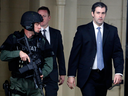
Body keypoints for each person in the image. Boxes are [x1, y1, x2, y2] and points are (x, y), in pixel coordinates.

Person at [67, 2, 124, 96]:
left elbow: (117, 53)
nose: (100, 16)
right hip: (87, 75)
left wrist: (118, 72)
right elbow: (75, 54)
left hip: (104, 75)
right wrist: (71, 75)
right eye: (98, 13)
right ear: (92, 13)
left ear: (105, 14)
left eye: (103, 13)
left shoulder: (112, 31)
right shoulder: (82, 30)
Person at [0, 11, 54, 96]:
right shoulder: (14, 38)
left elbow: (50, 60)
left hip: (35, 83)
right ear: (29, 25)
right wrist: (18, 53)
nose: (40, 27)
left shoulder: (41, 40)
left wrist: (43, 73)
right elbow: (2, 55)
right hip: (18, 83)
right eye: (37, 24)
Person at [37, 6, 66, 96]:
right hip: (37, 72)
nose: (41, 18)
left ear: (49, 17)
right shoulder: (33, 33)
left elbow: (60, 54)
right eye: (39, 16)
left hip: (52, 73)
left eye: (44, 16)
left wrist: (62, 73)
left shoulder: (56, 33)